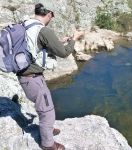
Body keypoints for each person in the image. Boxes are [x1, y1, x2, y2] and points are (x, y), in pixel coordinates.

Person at [17, 2, 83, 150]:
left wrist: (59, 41)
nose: (51, 19)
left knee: (43, 105)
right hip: (33, 78)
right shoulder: (44, 31)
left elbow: (35, 45)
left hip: (25, 77)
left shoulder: (26, 24)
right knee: (47, 111)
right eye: (52, 16)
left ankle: (47, 129)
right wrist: (73, 39)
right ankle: (47, 144)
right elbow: (65, 53)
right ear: (49, 14)